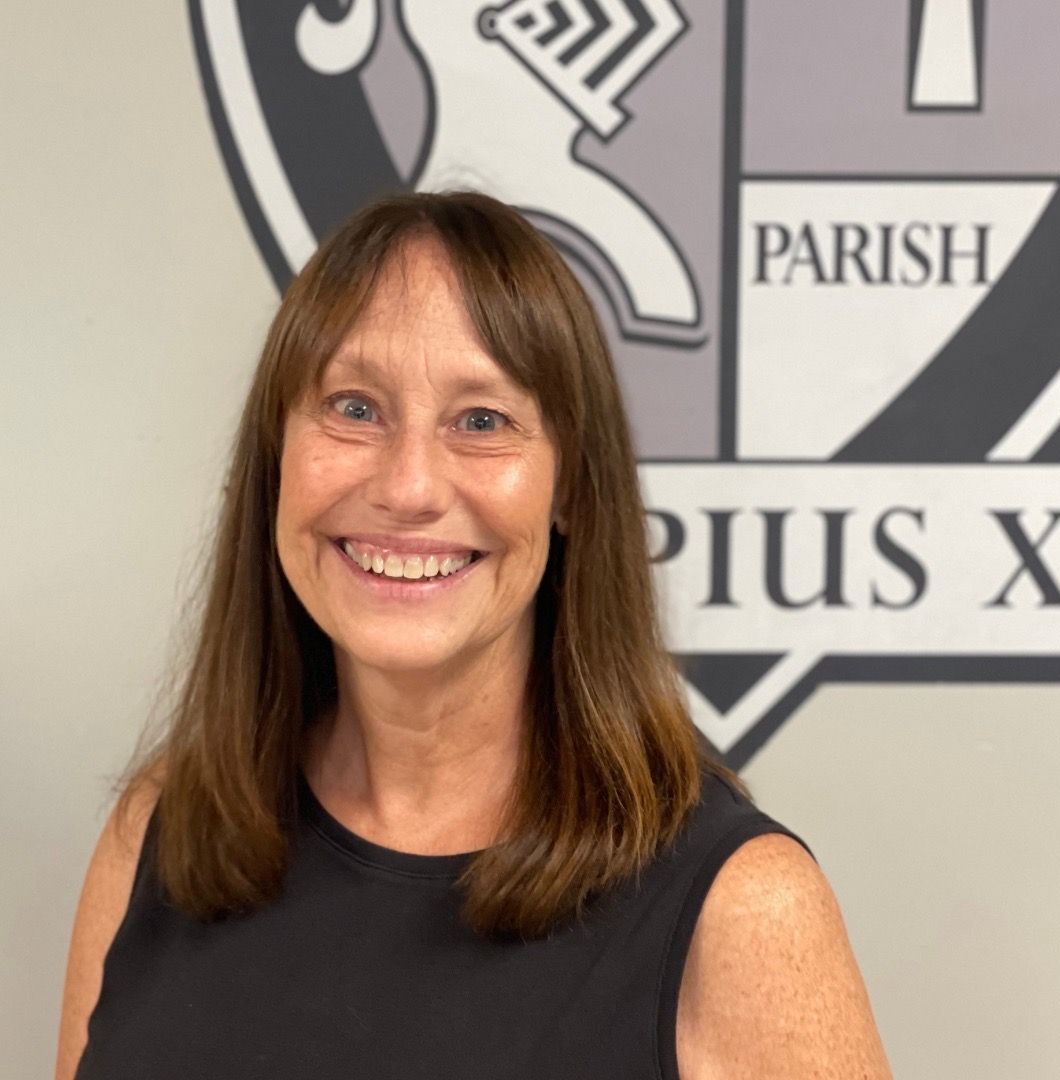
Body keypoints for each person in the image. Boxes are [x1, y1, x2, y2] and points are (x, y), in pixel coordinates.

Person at [55, 191, 892, 1079]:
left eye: (482, 421)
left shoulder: (741, 909)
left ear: (571, 489)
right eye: (354, 407)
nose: (410, 485)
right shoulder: (158, 834)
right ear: (276, 459)